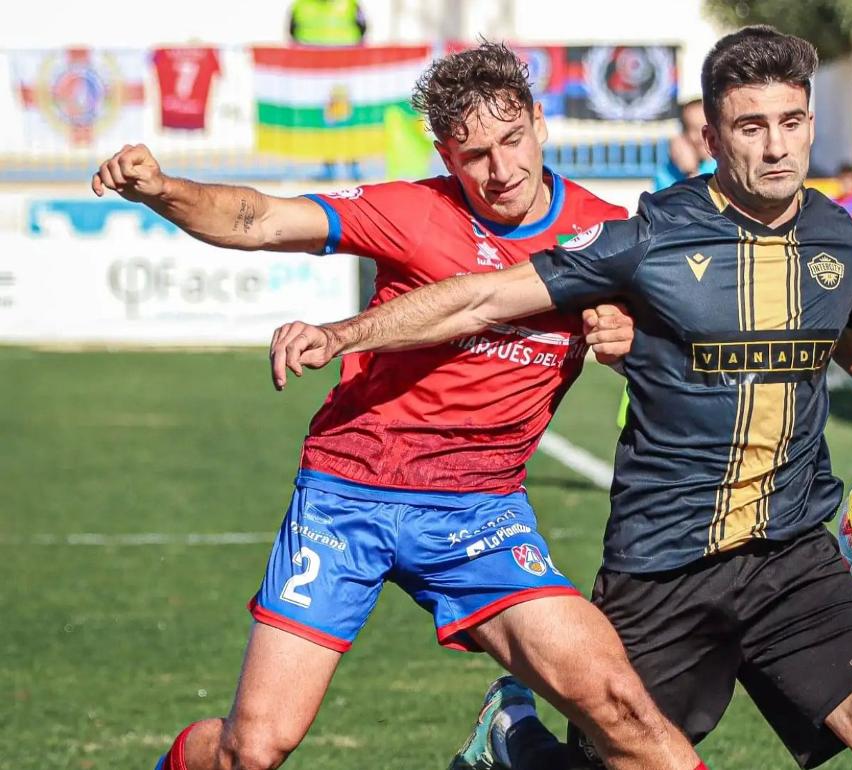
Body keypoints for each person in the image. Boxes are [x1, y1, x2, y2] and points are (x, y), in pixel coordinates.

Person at [269, 26, 852, 770]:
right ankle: (518, 747)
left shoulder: (836, 237)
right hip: (665, 566)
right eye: (750, 127)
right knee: (623, 758)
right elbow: (482, 298)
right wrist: (346, 334)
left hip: (793, 555)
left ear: (810, 123)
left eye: (791, 122)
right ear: (713, 138)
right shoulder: (652, 236)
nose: (776, 146)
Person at [91, 42, 707, 770]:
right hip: (347, 496)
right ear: (447, 156)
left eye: (513, 140)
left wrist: (630, 340)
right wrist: (162, 189)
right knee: (250, 751)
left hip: (480, 514)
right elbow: (259, 219)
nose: (502, 169)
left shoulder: (603, 232)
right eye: (475, 155)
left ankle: (508, 736)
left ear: (540, 123)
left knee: (621, 709)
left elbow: (681, 348)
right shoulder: (413, 210)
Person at [289, 0, 368, 181]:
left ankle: (353, 164)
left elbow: (363, 31)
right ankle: (329, 166)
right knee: (324, 119)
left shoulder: (350, 4)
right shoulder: (301, 6)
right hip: (317, 75)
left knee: (348, 117)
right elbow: (293, 33)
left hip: (345, 72)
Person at [653, 97, 716, 190]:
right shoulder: (666, 174)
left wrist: (692, 173)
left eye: (706, 127)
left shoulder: (725, 168)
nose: (701, 136)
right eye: (694, 129)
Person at [288, 0, 366, 46]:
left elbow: (292, 30)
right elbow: (363, 28)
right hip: (346, 53)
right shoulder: (350, 2)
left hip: (307, 53)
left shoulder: (300, 3)